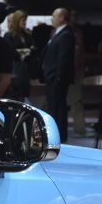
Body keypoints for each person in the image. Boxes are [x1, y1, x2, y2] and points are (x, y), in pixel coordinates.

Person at [41, 7, 78, 140]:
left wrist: (58, 76)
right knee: (54, 106)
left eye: (54, 16)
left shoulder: (66, 34)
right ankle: (56, 134)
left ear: (61, 18)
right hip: (53, 76)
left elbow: (64, 57)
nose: (52, 19)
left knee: (58, 107)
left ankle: (59, 135)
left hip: (57, 77)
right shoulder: (59, 33)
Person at [2, 8, 33, 99]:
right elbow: (10, 51)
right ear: (17, 20)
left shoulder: (27, 35)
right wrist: (24, 50)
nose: (25, 22)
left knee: (22, 95)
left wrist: (21, 50)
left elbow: (34, 48)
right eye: (23, 20)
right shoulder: (9, 35)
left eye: (25, 20)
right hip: (14, 69)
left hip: (25, 70)